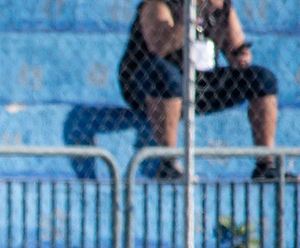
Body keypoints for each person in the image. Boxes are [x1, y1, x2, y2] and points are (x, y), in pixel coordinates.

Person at [118, 0, 294, 181]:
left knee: (263, 79)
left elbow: (237, 47)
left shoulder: (220, 8)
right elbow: (159, 47)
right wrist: (190, 19)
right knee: (166, 76)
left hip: (199, 82)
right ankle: (168, 162)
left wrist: (240, 56)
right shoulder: (160, 4)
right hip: (147, 85)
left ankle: (265, 164)